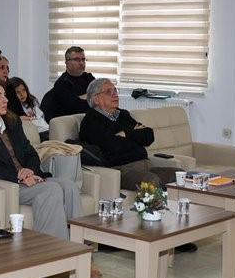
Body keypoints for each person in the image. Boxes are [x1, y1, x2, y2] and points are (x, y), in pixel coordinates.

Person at [0, 79, 100, 278]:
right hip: (8, 183)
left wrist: (30, 171)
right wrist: (18, 174)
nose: (5, 100)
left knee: (68, 186)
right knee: (50, 191)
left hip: (29, 177)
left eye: (5, 95)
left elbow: (30, 152)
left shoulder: (12, 122)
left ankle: (80, 253)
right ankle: (51, 261)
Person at [79, 78, 196, 253]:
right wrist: (135, 135)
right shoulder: (91, 121)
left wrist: (125, 134)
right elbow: (113, 147)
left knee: (179, 175)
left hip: (145, 163)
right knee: (150, 181)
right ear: (96, 99)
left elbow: (149, 136)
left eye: (115, 90)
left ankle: (177, 233)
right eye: (109, 92)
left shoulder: (123, 115)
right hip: (120, 169)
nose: (115, 94)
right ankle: (151, 236)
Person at [43, 46, 95, 121]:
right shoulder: (62, 83)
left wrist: (83, 97)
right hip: (69, 123)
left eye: (83, 59)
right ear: (67, 62)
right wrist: (91, 96)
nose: (81, 63)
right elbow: (78, 107)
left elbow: (101, 97)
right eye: (77, 59)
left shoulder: (89, 77)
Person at [9, 77, 49, 142]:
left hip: (46, 129)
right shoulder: (13, 108)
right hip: (37, 133)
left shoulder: (32, 101)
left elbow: (42, 117)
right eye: (18, 92)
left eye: (24, 90)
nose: (22, 94)